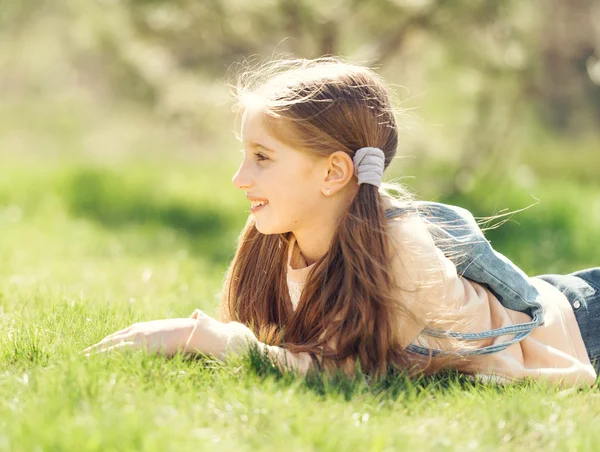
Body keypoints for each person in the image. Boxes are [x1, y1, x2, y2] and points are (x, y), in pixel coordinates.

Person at [82, 57, 599, 388]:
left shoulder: (400, 254)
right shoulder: (285, 240)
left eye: (262, 157)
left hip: (581, 325)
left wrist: (206, 338)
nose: (240, 177)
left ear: (333, 172)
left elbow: (347, 376)